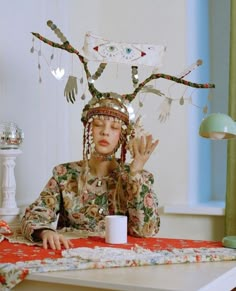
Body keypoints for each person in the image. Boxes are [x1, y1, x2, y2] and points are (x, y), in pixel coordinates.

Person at [21, 96, 160, 250]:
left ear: (123, 137)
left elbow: (145, 231)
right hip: (73, 258)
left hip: (122, 261)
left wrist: (135, 172)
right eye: (98, 124)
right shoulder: (65, 174)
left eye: (114, 128)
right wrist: (45, 232)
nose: (105, 132)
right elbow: (34, 215)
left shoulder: (139, 177)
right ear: (88, 129)